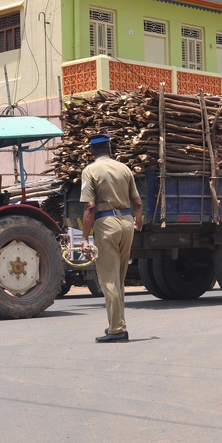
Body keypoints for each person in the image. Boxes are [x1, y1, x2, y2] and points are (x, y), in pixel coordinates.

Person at [79, 134, 143, 343]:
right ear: (110, 148)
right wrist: (138, 222)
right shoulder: (124, 169)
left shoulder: (90, 171)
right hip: (127, 222)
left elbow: (90, 206)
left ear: (91, 151)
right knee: (119, 278)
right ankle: (117, 325)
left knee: (108, 280)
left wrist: (85, 238)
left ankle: (117, 330)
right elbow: (138, 203)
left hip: (106, 224)